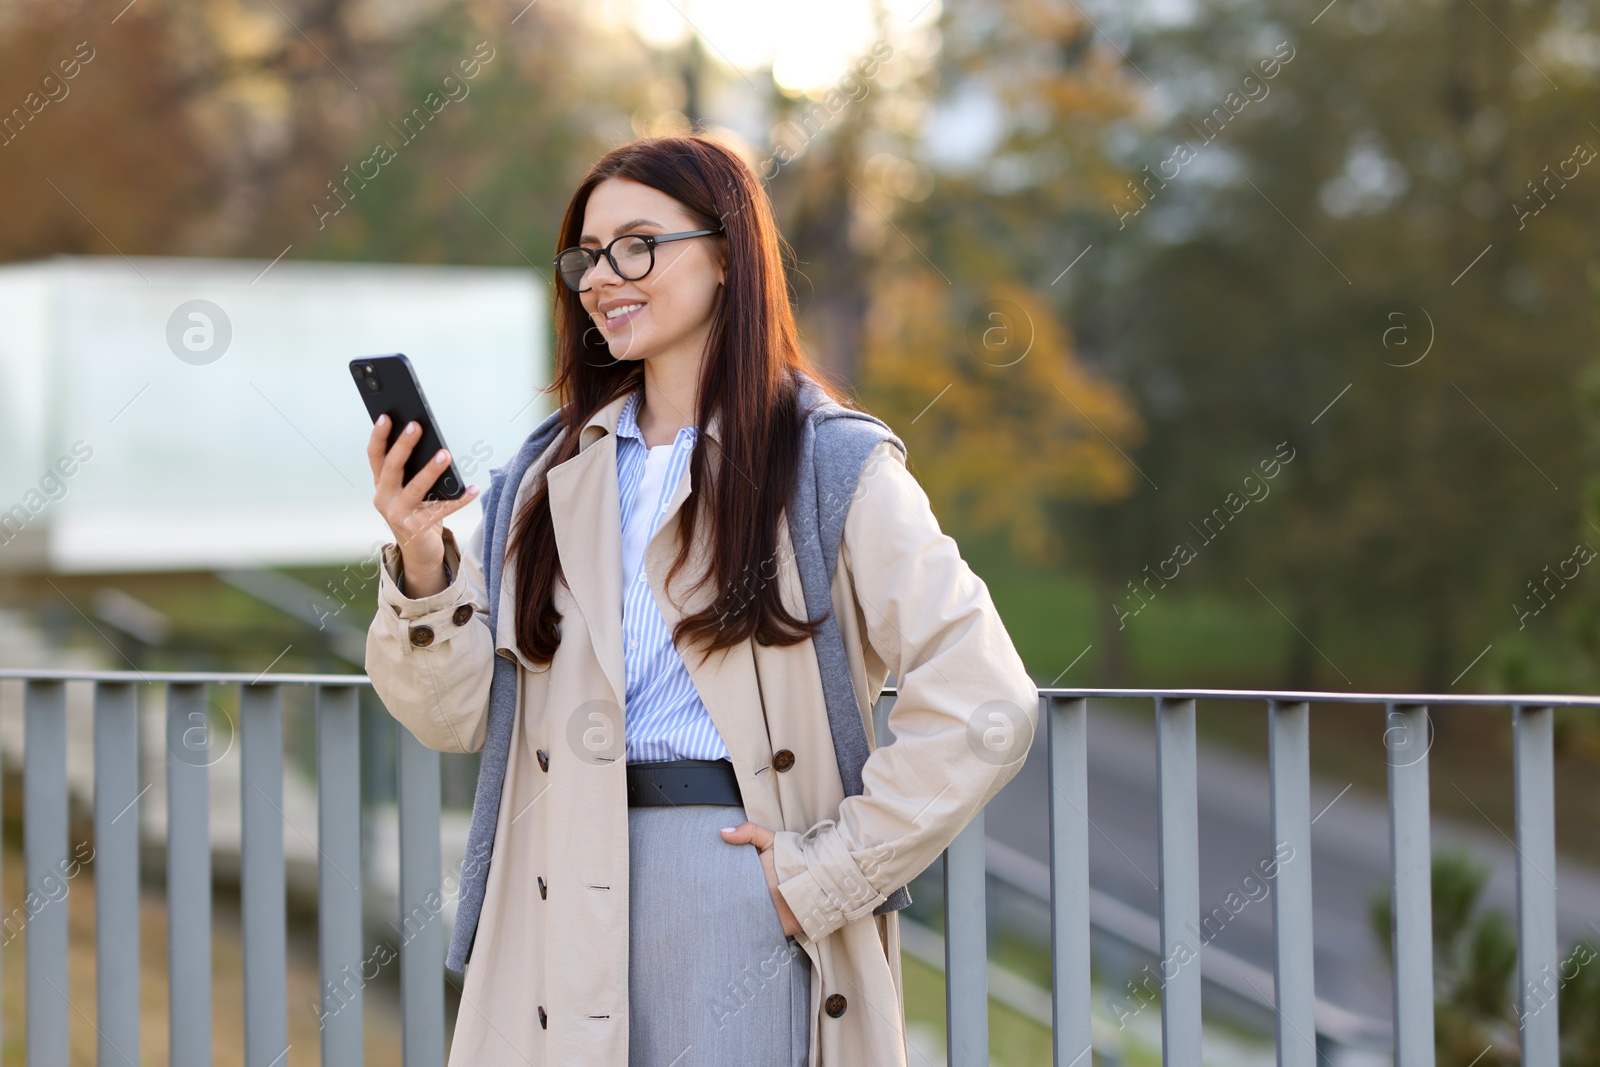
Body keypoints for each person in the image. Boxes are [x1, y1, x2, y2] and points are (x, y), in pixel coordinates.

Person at [364, 133, 1038, 1067]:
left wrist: (825, 874)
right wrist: (423, 556)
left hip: (734, 892)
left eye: (637, 245)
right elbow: (453, 717)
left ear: (726, 255)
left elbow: (986, 699)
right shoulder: (547, 473)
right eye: (586, 257)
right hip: (552, 892)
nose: (603, 277)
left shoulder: (829, 462)